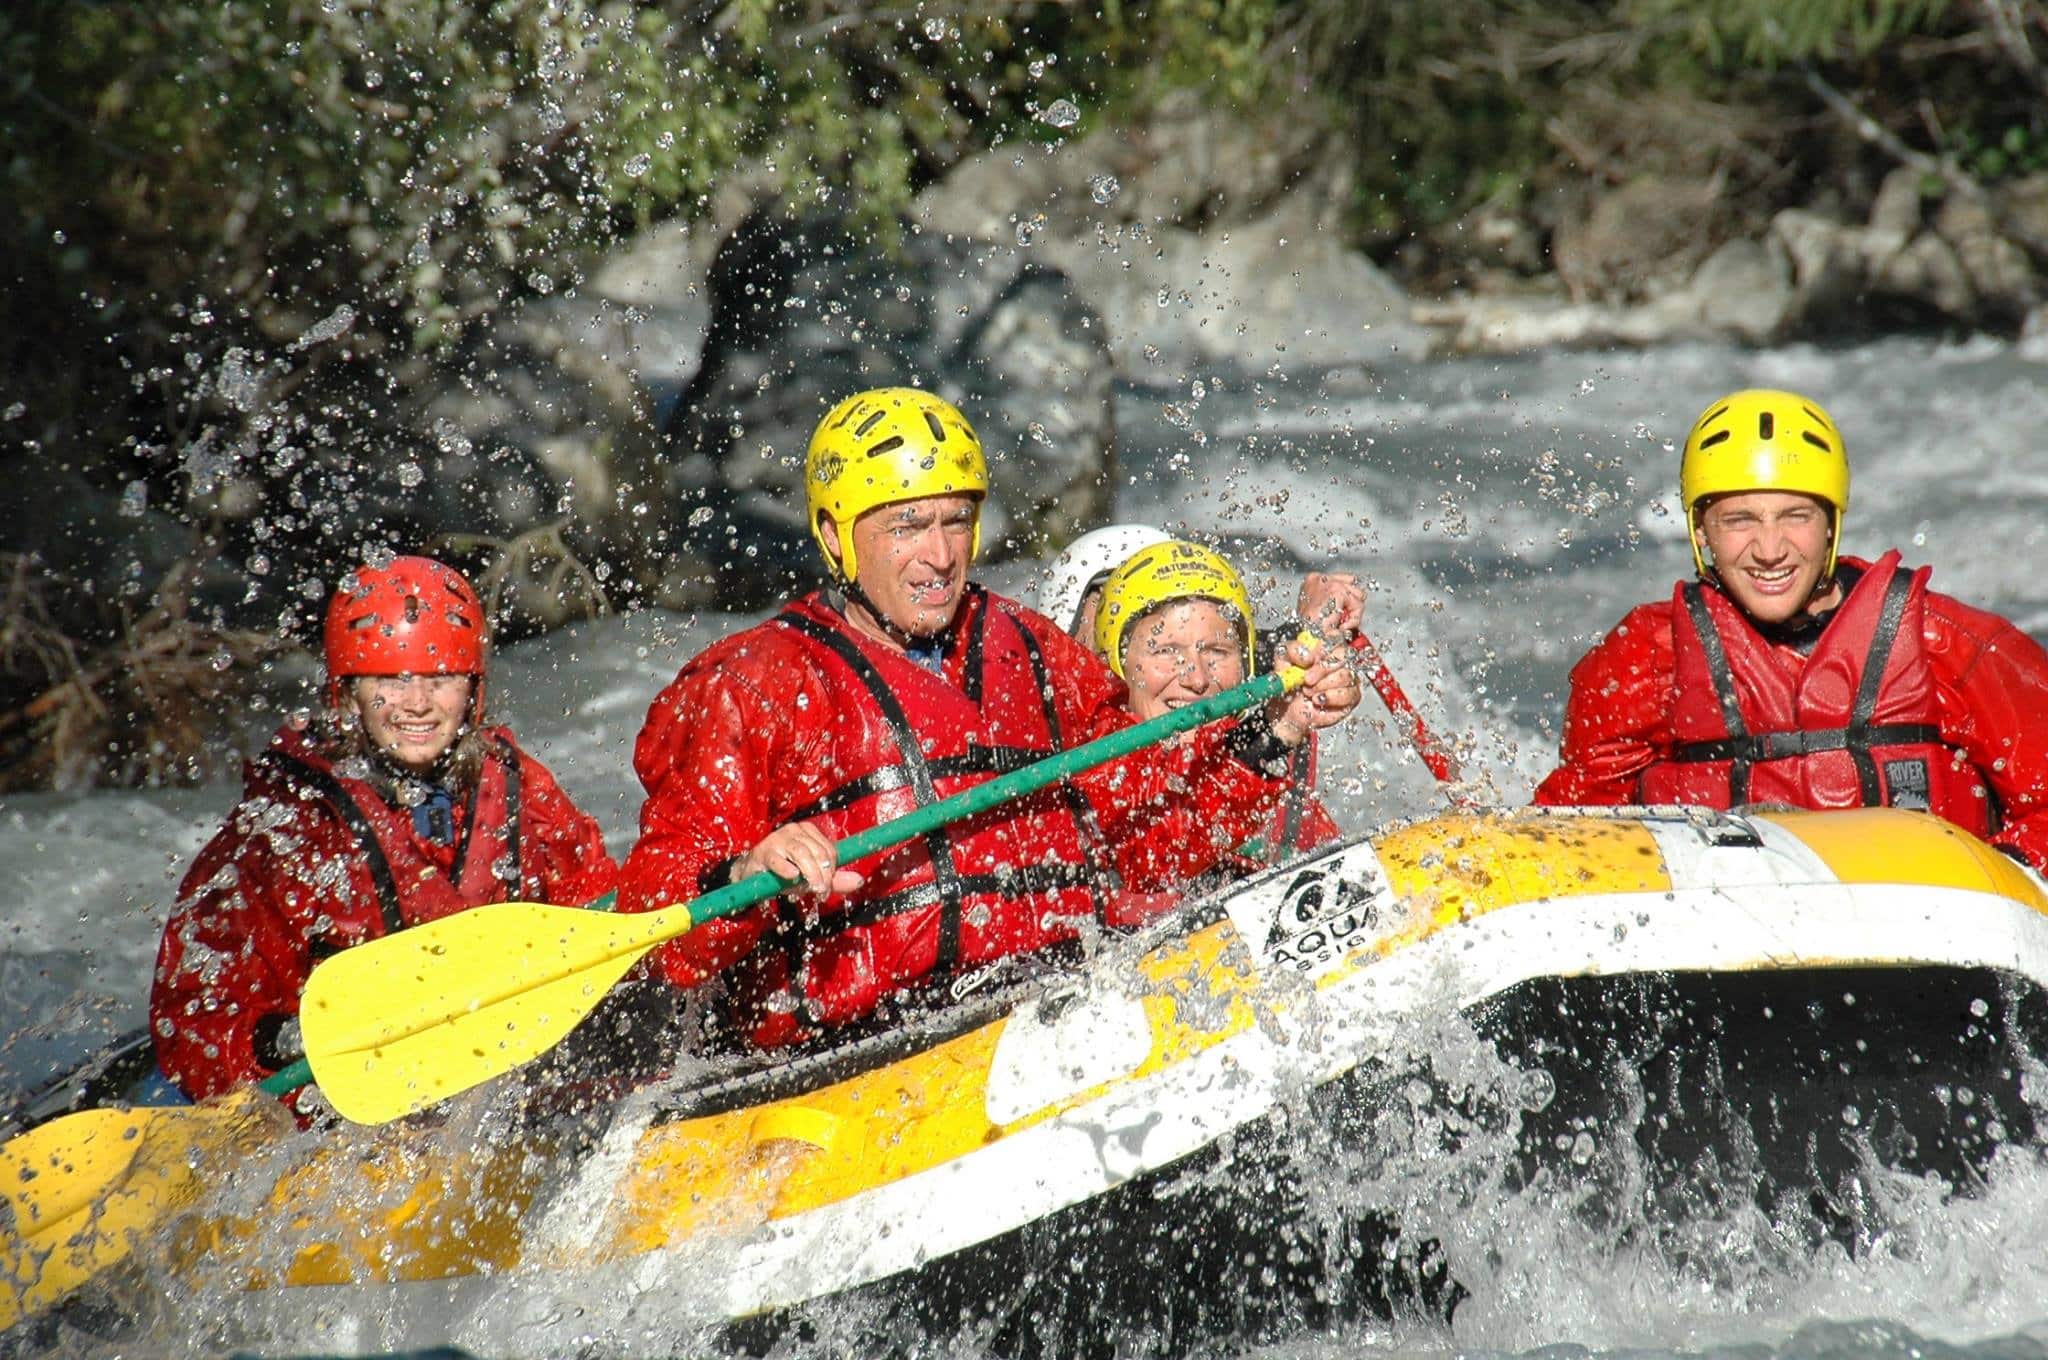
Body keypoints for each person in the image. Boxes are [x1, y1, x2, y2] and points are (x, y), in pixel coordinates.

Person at [618, 386, 1364, 1050]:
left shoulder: (1033, 652)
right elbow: (661, 918)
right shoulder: (751, 684)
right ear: (837, 536)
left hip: (1055, 1005)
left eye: (956, 521)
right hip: (863, 1050)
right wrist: (746, 870)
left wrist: (1280, 729)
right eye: (907, 525)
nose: (940, 555)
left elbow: (1145, 840)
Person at [150, 555, 619, 1111]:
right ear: (347, 694)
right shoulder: (285, 831)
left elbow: (597, 911)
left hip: (503, 1100)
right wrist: (286, 1040)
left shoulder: (524, 795)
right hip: (344, 1121)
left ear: (473, 691)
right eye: (390, 682)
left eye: (440, 679)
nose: (417, 704)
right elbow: (192, 1018)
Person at [1533, 388, 2048, 870]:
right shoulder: (1646, 658)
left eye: (1794, 516)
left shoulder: (1951, 646)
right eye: (1739, 521)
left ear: (1830, 524)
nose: (1770, 549)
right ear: (1699, 532)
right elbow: (1572, 834)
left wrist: (2008, 871)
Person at [1095, 539, 1343, 868]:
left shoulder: (1279, 767)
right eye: (1166, 651)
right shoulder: (1091, 784)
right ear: (1115, 667)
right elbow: (1161, 857)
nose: (1196, 679)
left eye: (1217, 651)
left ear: (1246, 666)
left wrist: (1281, 728)